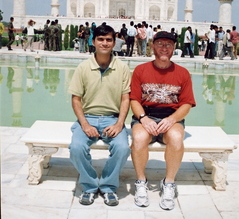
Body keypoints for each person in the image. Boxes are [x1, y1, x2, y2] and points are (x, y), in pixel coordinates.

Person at [130, 30, 196, 210]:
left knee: (175, 138)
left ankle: (169, 183)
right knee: (139, 138)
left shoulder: (182, 73)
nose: (164, 48)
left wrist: (172, 119)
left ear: (174, 47)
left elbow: (187, 104)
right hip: (147, 115)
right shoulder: (141, 70)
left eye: (168, 44)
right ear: (153, 46)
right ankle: (141, 181)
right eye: (160, 44)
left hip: (171, 117)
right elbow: (134, 100)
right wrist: (143, 118)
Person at [68, 24, 131, 207]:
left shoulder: (122, 67)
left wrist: (120, 124)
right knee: (76, 148)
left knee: (122, 148)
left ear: (114, 42)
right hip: (88, 117)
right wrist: (85, 125)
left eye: (109, 40)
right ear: (93, 41)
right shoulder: (83, 67)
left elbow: (125, 98)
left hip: (112, 118)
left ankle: (108, 186)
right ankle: (89, 186)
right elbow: (76, 99)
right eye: (101, 39)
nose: (104, 43)